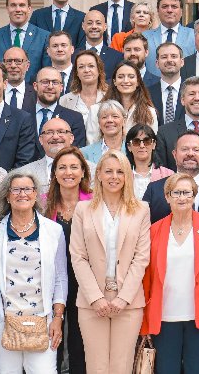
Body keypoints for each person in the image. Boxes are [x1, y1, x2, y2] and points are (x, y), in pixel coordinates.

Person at [70, 150, 152, 374]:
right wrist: (95, 297)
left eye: (120, 172)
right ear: (98, 174)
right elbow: (78, 256)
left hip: (128, 302)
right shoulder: (83, 209)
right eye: (108, 171)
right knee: (96, 367)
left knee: (121, 366)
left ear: (127, 176)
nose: (114, 177)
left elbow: (141, 257)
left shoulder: (141, 210)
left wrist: (123, 298)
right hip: (91, 302)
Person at [141, 172, 199, 374]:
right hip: (164, 317)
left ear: (194, 196)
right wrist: (145, 323)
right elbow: (147, 280)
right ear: (167, 197)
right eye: (176, 193)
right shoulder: (154, 230)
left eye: (187, 193)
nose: (182, 197)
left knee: (198, 370)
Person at [0, 171, 69, 374]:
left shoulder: (53, 230)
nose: (22, 194)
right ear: (7, 195)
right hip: (3, 319)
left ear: (35, 194)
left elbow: (60, 278)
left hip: (42, 319)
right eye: (16, 189)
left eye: (27, 189)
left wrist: (57, 318)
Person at [38, 145, 90, 372]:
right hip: (52, 280)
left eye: (74, 167)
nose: (68, 172)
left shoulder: (94, 202)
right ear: (54, 173)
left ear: (83, 172)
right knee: (52, 337)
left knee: (80, 341)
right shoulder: (41, 203)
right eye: (62, 167)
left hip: (84, 280)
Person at [60, 50, 109, 143]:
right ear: (77, 72)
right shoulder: (65, 100)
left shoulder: (110, 97)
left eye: (91, 66)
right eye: (81, 67)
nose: (86, 70)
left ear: (99, 70)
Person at [106, 62, 160, 131]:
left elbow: (152, 137)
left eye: (131, 77)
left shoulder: (149, 112)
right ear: (114, 82)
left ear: (138, 82)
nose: (125, 81)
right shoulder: (100, 110)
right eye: (120, 77)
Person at [125, 124, 173, 200]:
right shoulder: (122, 175)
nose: (142, 146)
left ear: (154, 144)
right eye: (136, 142)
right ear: (129, 147)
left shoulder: (168, 175)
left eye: (147, 141)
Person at [83, 101, 128, 166]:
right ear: (99, 122)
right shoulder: (85, 153)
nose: (109, 120)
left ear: (124, 121)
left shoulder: (133, 151)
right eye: (104, 117)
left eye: (115, 116)